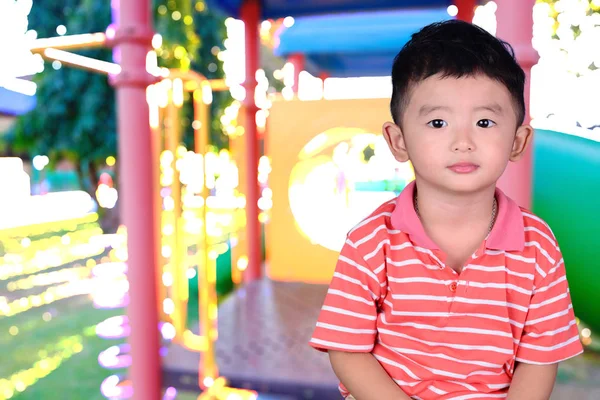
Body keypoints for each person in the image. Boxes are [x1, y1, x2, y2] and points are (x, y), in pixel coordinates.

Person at [309, 20, 583, 400]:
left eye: (484, 122)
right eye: (438, 122)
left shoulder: (538, 247)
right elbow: (346, 347)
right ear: (399, 140)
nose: (463, 141)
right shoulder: (370, 242)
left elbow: (540, 358)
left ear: (517, 141)